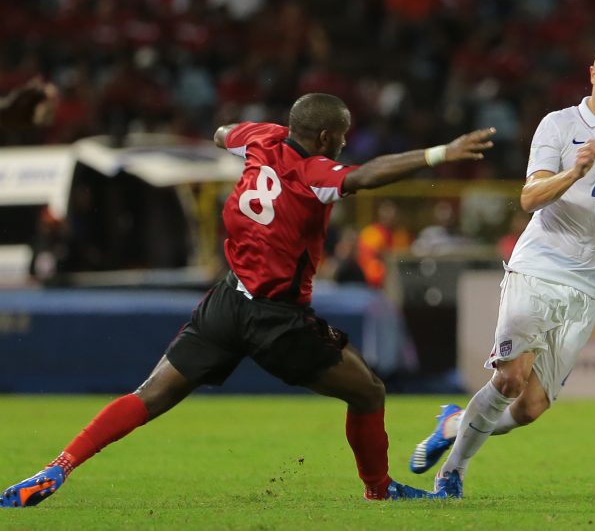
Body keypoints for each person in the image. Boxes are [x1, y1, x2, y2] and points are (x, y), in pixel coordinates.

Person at [0, 93, 495, 508]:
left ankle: (56, 469)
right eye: (341, 135)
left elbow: (222, 132)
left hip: (226, 301)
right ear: (326, 138)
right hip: (277, 317)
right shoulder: (314, 171)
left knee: (149, 395)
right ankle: (379, 490)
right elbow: (364, 176)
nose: (344, 142)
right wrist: (439, 153)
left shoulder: (261, 138)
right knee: (368, 392)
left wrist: (249, 133)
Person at [408, 39, 595, 498]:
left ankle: (452, 424)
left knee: (531, 407)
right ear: (593, 73)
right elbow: (529, 198)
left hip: (588, 288)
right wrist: (574, 172)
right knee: (510, 378)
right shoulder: (559, 125)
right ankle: (452, 474)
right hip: (539, 268)